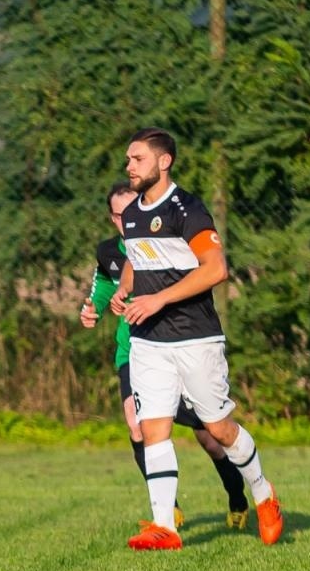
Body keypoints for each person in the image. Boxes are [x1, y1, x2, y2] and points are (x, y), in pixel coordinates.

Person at [110, 129, 283, 551]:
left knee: (219, 429)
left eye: (137, 159)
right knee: (153, 428)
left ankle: (263, 492)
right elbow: (137, 259)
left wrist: (159, 300)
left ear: (163, 161)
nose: (129, 166)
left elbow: (215, 269)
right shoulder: (132, 214)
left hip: (196, 338)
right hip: (148, 341)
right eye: (128, 159)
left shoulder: (188, 209)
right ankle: (164, 526)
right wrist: (124, 290)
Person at [81, 182, 250, 540]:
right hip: (136, 352)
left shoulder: (169, 239)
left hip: (181, 347)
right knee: (136, 424)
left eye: (134, 208)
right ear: (113, 218)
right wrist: (94, 307)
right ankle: (166, 513)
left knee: (210, 436)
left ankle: (238, 497)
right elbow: (103, 286)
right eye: (120, 213)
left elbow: (206, 271)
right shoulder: (108, 251)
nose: (129, 217)